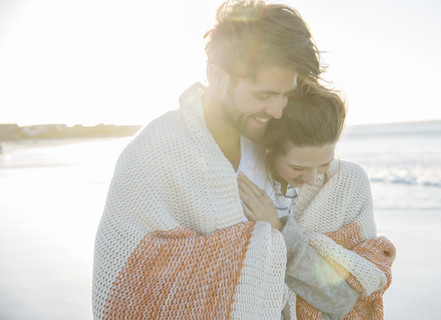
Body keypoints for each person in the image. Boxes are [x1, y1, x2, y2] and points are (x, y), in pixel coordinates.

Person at [92, 1, 323, 319]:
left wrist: (280, 232)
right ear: (218, 76)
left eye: (286, 95)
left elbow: (326, 278)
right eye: (264, 95)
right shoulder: (153, 153)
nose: (278, 111)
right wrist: (253, 248)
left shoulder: (276, 146)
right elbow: (128, 281)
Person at [237, 84, 396, 319]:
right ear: (269, 149)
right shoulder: (250, 180)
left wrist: (281, 230)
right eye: (297, 167)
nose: (312, 179)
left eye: (324, 163)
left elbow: (342, 298)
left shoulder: (350, 182)